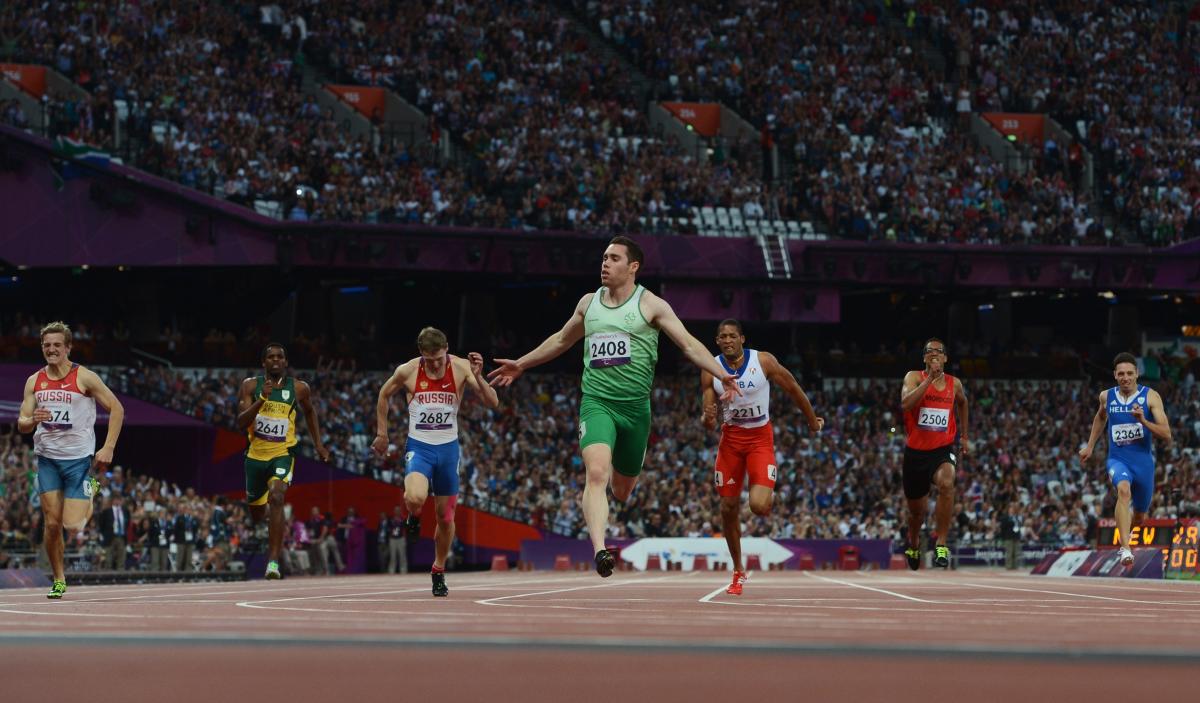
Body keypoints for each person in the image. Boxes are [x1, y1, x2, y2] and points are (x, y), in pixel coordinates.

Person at [488, 236, 739, 577]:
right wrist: (522, 363)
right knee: (596, 473)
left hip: (636, 411)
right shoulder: (588, 303)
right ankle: (600, 550)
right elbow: (562, 339)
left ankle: (617, 499)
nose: (605, 263)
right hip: (597, 403)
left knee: (622, 491)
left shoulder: (651, 305)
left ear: (633, 267)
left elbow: (689, 345)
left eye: (614, 258)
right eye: (604, 257)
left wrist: (721, 374)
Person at [372, 327, 499, 596]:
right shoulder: (408, 371)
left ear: (447, 349)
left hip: (448, 449)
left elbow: (493, 402)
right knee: (416, 498)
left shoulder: (462, 368)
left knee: (445, 516)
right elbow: (384, 394)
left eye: (440, 359)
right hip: (420, 446)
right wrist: (382, 433)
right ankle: (414, 515)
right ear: (421, 355)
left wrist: (478, 377)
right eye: (430, 361)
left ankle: (438, 570)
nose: (436, 365)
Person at [700, 319, 823, 595]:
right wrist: (708, 417)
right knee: (727, 507)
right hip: (730, 441)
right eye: (723, 337)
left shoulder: (763, 361)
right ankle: (737, 569)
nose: (728, 340)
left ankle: (768, 496)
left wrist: (812, 420)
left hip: (759, 439)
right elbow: (708, 416)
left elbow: (793, 388)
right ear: (717, 341)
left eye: (733, 335)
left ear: (742, 339)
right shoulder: (710, 368)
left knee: (757, 506)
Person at [17, 321, 124, 599]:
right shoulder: (34, 381)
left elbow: (117, 408)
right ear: (42, 347)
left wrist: (109, 446)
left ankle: (92, 488)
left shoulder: (84, 377)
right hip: (48, 459)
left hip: (77, 460)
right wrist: (32, 419)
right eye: (46, 345)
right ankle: (59, 579)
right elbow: (22, 423)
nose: (51, 350)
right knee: (52, 524)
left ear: (68, 347)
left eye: (56, 345)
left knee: (73, 525)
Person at [236, 343, 331, 579]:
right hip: (255, 457)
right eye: (271, 357)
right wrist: (261, 400)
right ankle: (272, 522)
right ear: (263, 363)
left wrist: (318, 443)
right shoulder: (250, 385)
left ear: (286, 362)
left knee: (277, 496)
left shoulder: (299, 388)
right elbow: (240, 422)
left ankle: (273, 562)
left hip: (283, 453)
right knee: (258, 514)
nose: (276, 360)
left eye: (280, 357)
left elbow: (310, 412)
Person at [1079, 352, 1172, 565]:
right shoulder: (1106, 396)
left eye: (1130, 373)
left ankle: (1125, 538)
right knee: (1123, 490)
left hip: (1143, 464)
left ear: (1137, 374)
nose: (1125, 377)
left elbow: (1166, 433)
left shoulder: (1151, 397)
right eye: (1121, 374)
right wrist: (1090, 446)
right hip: (1118, 459)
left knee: (1140, 517)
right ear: (1115, 375)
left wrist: (1143, 421)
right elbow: (1100, 417)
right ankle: (1126, 548)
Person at [899, 338, 969, 570]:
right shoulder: (913, 377)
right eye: (930, 351)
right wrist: (930, 378)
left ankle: (941, 542)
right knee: (916, 514)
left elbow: (963, 403)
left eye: (939, 351)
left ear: (946, 358)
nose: (935, 354)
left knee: (947, 483)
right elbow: (906, 404)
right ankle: (914, 541)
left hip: (942, 449)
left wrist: (964, 436)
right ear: (924, 358)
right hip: (915, 454)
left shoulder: (954, 384)